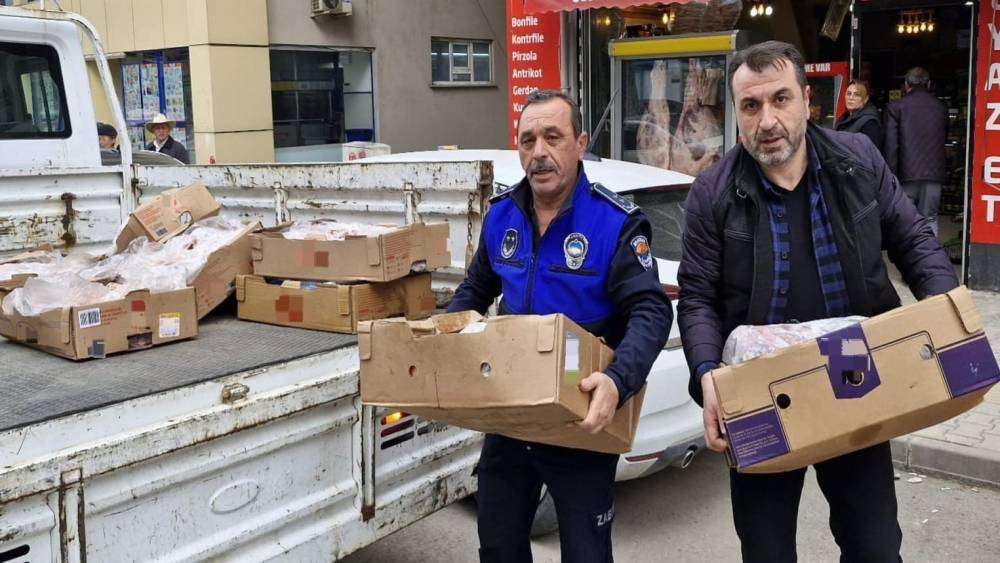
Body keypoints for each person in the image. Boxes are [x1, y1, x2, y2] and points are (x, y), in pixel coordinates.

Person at [677, 41, 957, 563]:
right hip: (760, 390)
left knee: (875, 546)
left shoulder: (858, 161)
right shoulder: (712, 193)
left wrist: (949, 316)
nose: (767, 121)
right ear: (736, 113)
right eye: (751, 105)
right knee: (766, 550)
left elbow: (914, 239)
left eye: (781, 99)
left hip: (853, 371)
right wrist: (707, 372)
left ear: (808, 101)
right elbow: (697, 296)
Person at [448, 89, 671, 562]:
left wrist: (618, 381)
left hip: (581, 416)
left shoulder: (614, 223)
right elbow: (475, 290)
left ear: (580, 143)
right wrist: (441, 338)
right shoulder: (502, 214)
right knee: (498, 545)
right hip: (510, 413)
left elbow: (652, 312)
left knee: (587, 554)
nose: (539, 152)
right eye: (528, 140)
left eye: (553, 137)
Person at [884, 67, 948, 234]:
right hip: (934, 175)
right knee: (930, 218)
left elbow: (891, 146)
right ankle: (930, 251)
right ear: (929, 84)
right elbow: (944, 139)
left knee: (905, 220)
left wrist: (891, 178)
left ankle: (908, 252)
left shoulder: (895, 107)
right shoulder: (941, 107)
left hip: (906, 175)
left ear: (906, 85)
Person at [836, 80, 882, 151]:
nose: (851, 98)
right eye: (848, 94)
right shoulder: (843, 118)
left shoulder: (870, 123)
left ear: (865, 99)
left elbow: (870, 153)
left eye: (856, 94)